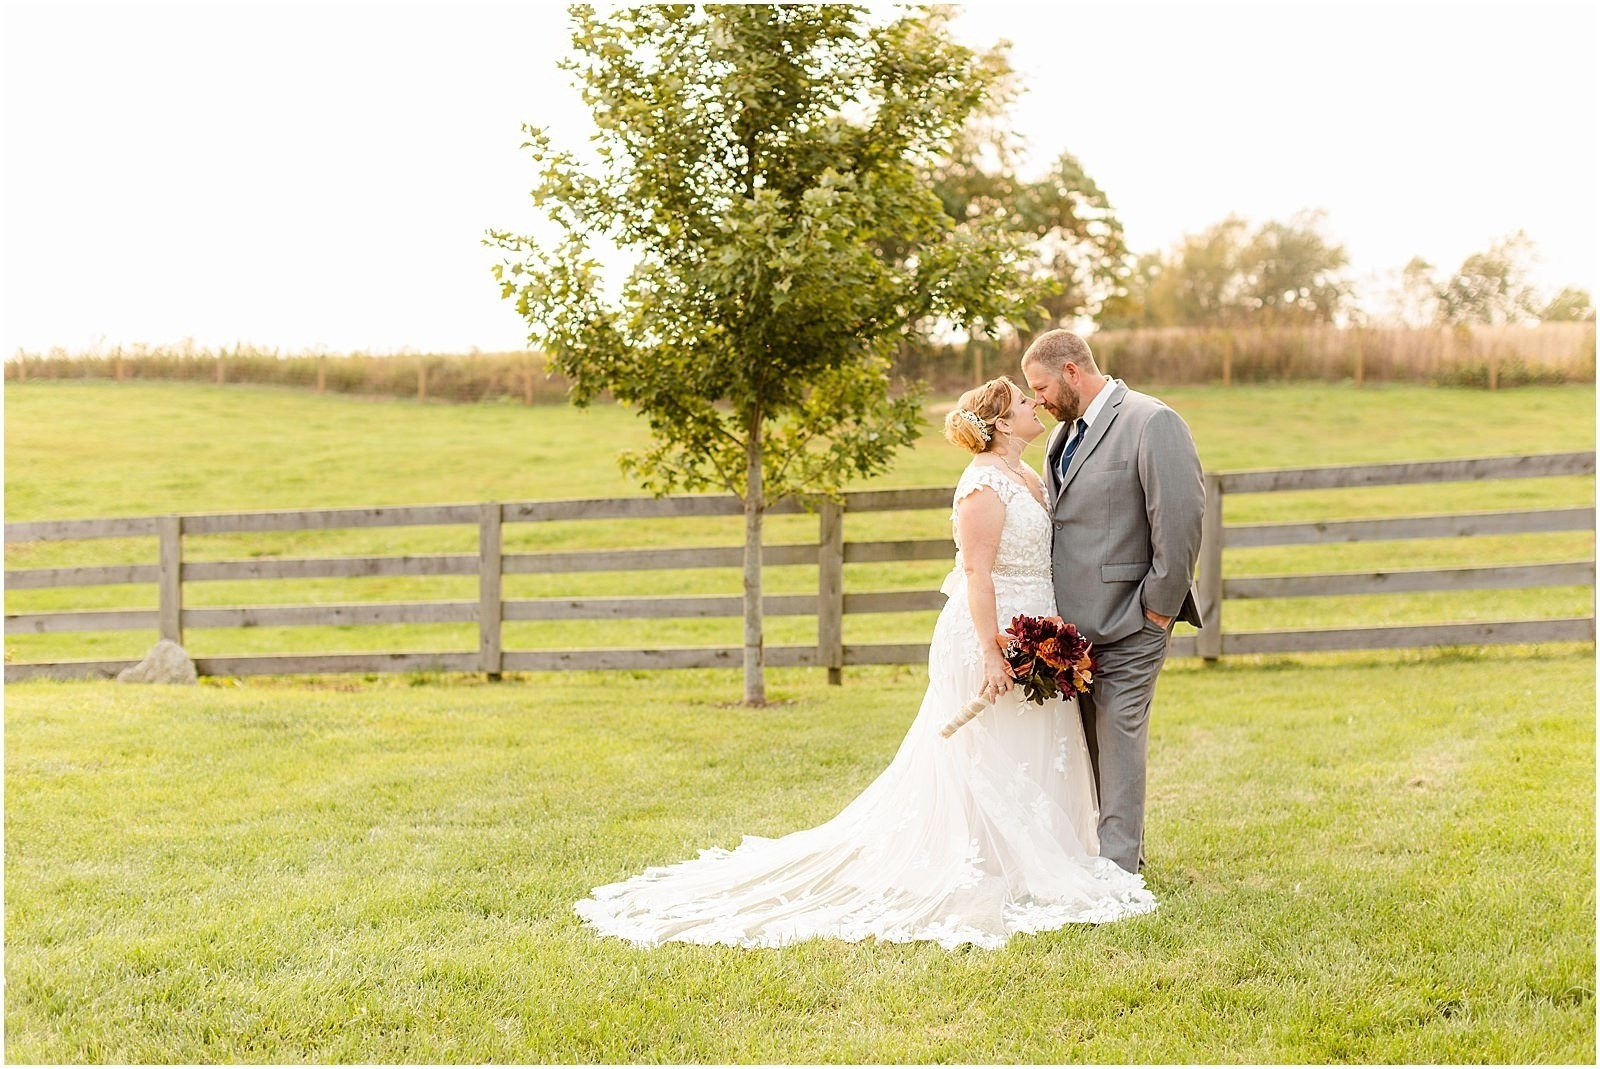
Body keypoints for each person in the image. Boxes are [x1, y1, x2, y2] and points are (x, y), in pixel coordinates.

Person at [575, 377, 1155, 949]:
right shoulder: (982, 485)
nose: (1036, 405)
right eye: (1024, 401)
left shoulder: (1028, 474)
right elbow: (977, 573)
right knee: (986, 753)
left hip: (1039, 629)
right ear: (1002, 421)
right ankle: (984, 862)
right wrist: (991, 651)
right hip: (990, 633)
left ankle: (1036, 856)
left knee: (1033, 744)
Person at [1020, 330, 1205, 875]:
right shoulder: (1065, 435)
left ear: (1073, 372)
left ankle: (1120, 874)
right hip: (1074, 635)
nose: (1038, 401)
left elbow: (1180, 519)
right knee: (1089, 745)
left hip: (1132, 620)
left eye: (1042, 387)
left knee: (1119, 740)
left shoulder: (1152, 422)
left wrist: (1158, 610)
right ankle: (1111, 853)